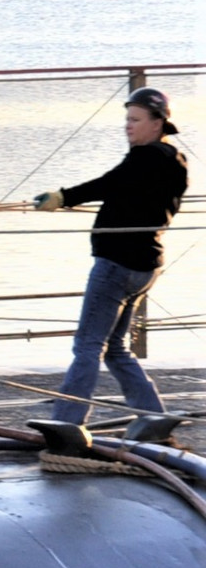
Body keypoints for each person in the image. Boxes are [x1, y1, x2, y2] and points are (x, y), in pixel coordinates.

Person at [34, 87, 187, 425]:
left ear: (158, 123)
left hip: (116, 265)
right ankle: (152, 417)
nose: (128, 126)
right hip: (146, 267)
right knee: (115, 348)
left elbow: (108, 184)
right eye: (126, 119)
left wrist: (61, 197)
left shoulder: (144, 158)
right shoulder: (176, 161)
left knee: (87, 345)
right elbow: (128, 192)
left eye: (135, 120)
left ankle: (67, 422)